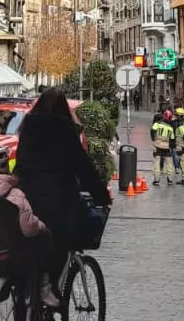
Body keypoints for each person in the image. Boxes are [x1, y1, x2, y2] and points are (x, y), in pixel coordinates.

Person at [15, 88, 112, 301]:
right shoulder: (64, 129)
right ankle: (48, 285)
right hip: (56, 198)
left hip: (26, 194)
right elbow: (82, 166)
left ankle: (26, 290)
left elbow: (20, 162)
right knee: (61, 239)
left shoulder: (27, 127)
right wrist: (101, 195)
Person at [0, 140, 55, 308]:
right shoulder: (15, 194)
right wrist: (41, 226)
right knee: (46, 236)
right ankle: (44, 287)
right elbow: (29, 229)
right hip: (15, 254)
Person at [150, 110, 175, 186]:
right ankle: (170, 179)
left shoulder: (157, 124)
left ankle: (156, 180)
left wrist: (154, 139)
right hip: (166, 146)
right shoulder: (170, 128)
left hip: (157, 145)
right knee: (169, 163)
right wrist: (171, 147)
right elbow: (172, 139)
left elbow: (152, 130)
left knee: (157, 162)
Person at [172, 110, 184, 184]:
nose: (175, 116)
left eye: (176, 115)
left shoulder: (180, 125)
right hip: (183, 144)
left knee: (182, 162)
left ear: (179, 116)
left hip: (180, 144)